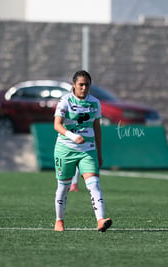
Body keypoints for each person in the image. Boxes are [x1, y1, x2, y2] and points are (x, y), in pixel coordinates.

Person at [53, 70, 112, 232]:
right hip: (65, 149)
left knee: (94, 185)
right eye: (81, 84)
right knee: (63, 187)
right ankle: (59, 221)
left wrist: (99, 152)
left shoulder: (95, 103)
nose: (84, 88)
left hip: (88, 149)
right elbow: (57, 125)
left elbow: (97, 128)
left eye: (87, 84)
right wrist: (73, 136)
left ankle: (101, 220)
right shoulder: (65, 101)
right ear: (74, 85)